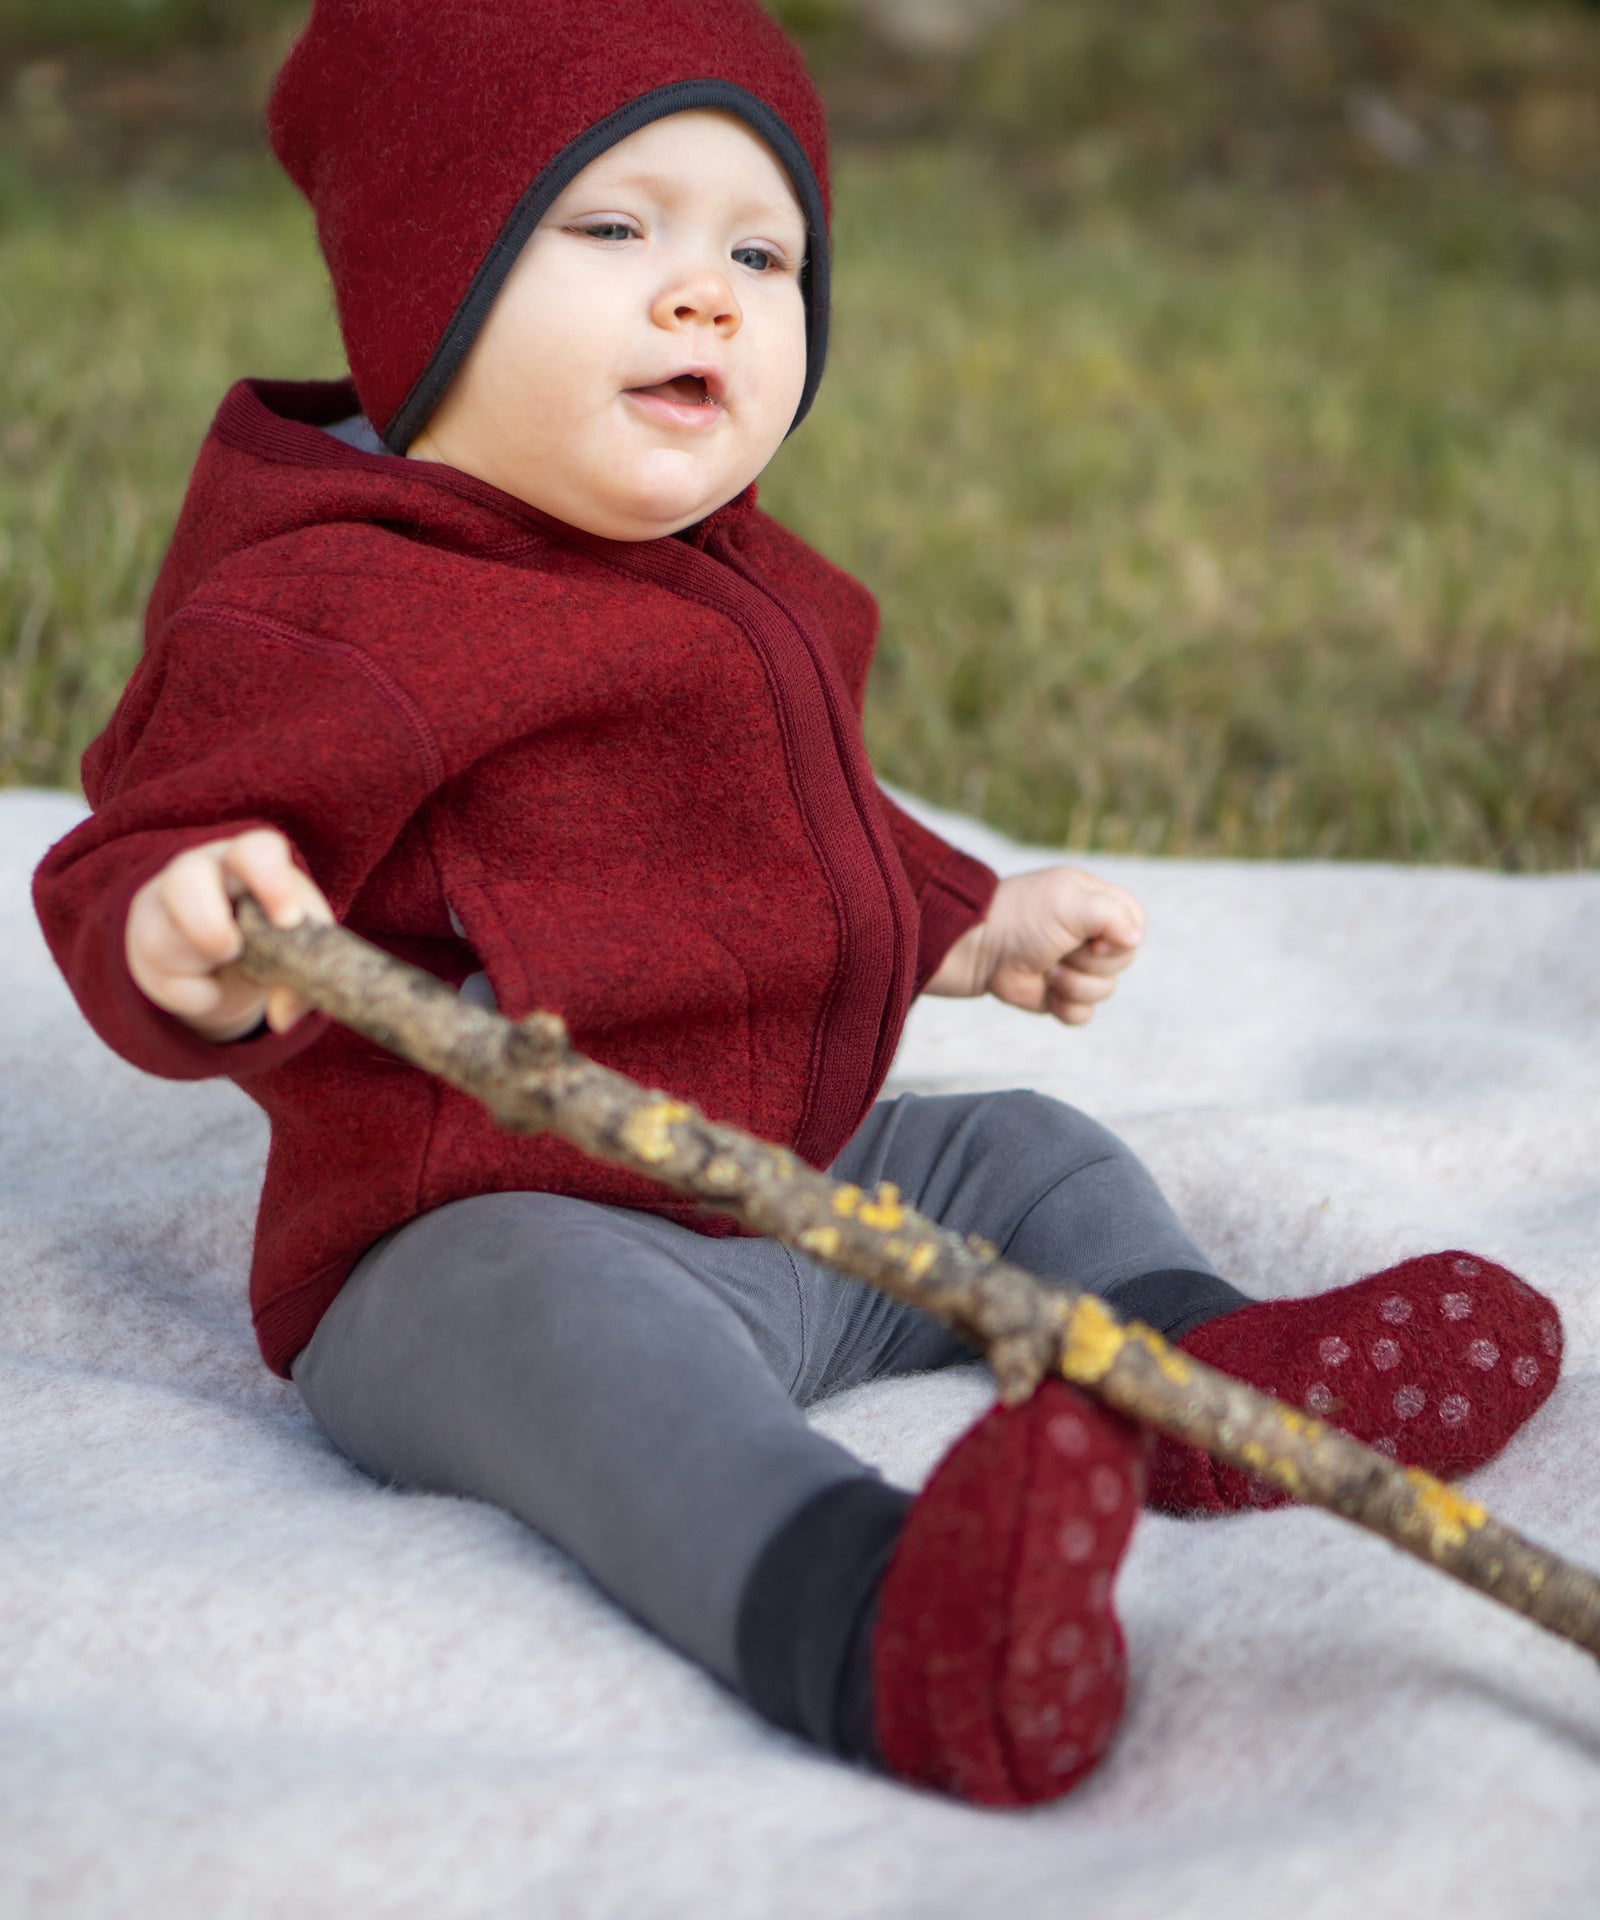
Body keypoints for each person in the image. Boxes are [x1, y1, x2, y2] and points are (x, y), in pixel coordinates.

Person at [33, 0, 1563, 1808]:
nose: (708, 296)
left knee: (1025, 1154)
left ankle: (1196, 1368)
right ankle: (869, 1611)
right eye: (614, 231)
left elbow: (805, 831)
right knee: (586, 1368)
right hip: (489, 1228)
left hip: (796, 1185)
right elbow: (141, 839)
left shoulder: (739, 585)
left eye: (764, 253)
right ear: (425, 283)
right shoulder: (338, 605)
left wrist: (967, 919)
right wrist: (189, 929)